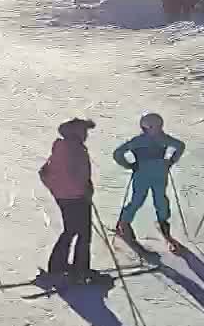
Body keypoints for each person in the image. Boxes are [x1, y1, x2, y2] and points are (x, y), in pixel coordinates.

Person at [39, 117, 104, 282]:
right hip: (76, 197)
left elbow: (45, 172)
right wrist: (85, 189)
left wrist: (57, 189)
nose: (85, 135)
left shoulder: (60, 147)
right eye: (83, 131)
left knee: (71, 230)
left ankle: (58, 265)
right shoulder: (74, 149)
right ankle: (80, 269)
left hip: (64, 196)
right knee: (83, 233)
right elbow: (77, 174)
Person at [113, 113, 187, 253]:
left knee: (149, 199)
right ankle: (127, 223)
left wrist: (130, 165)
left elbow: (118, 153)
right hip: (155, 173)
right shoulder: (159, 139)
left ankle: (128, 223)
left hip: (147, 173)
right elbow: (180, 146)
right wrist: (170, 161)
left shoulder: (140, 140)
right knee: (154, 199)